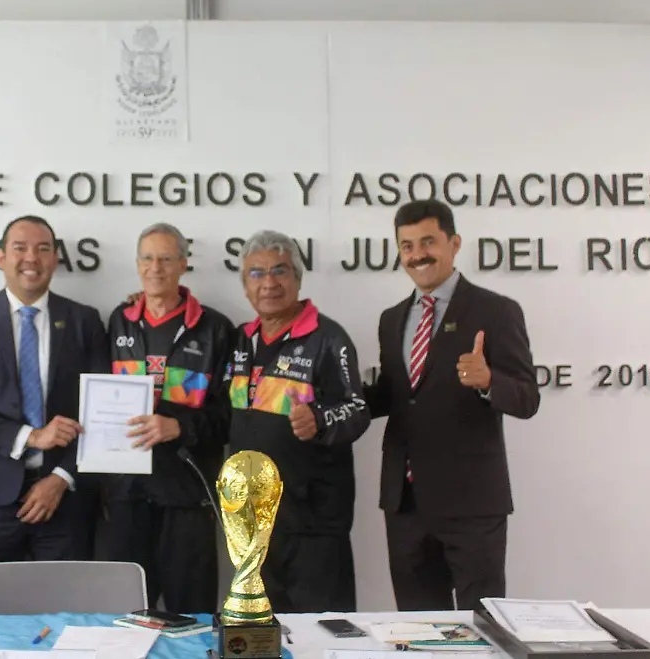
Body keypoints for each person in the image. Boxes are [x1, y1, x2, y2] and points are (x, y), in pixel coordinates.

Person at [363, 199, 540, 612]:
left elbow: (528, 399)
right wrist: (333, 403)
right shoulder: (392, 319)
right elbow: (395, 393)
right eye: (407, 246)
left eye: (428, 241)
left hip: (471, 505)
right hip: (405, 502)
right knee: (420, 627)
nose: (418, 254)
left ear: (454, 243)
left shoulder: (495, 311)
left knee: (484, 627)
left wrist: (488, 380)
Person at [0, 215, 108, 575]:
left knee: (66, 611)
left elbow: (100, 412)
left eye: (43, 249)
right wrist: (31, 436)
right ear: (0, 257)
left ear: (55, 259)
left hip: (65, 497)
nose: (31, 258)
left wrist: (62, 478)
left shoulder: (85, 321)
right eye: (20, 248)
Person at [222, 229, 370, 613]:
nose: (269, 283)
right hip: (255, 524)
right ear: (245, 285)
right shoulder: (240, 340)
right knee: (261, 634)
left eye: (279, 271)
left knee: (317, 636)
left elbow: (357, 408)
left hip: (313, 527)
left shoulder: (328, 338)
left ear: (297, 279)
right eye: (257, 273)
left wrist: (320, 419)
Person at [101, 222, 233, 615]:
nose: (155, 267)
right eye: (147, 258)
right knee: (124, 616)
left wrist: (181, 427)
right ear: (137, 264)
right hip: (127, 497)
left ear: (183, 265)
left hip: (188, 498)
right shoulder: (118, 321)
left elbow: (232, 416)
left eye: (165, 258)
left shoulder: (216, 329)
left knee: (190, 616)